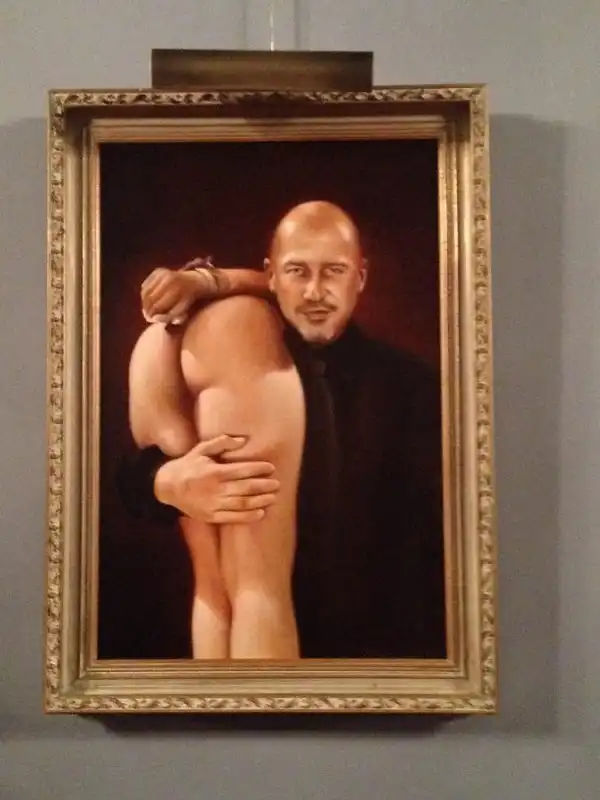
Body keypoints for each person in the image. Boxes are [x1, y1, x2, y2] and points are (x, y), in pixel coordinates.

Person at [119, 200, 446, 660]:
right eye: (297, 271)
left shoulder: (415, 388)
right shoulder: (235, 345)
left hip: (374, 649)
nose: (315, 291)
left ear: (360, 278)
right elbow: (117, 480)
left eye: (333, 271)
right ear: (271, 276)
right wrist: (163, 483)